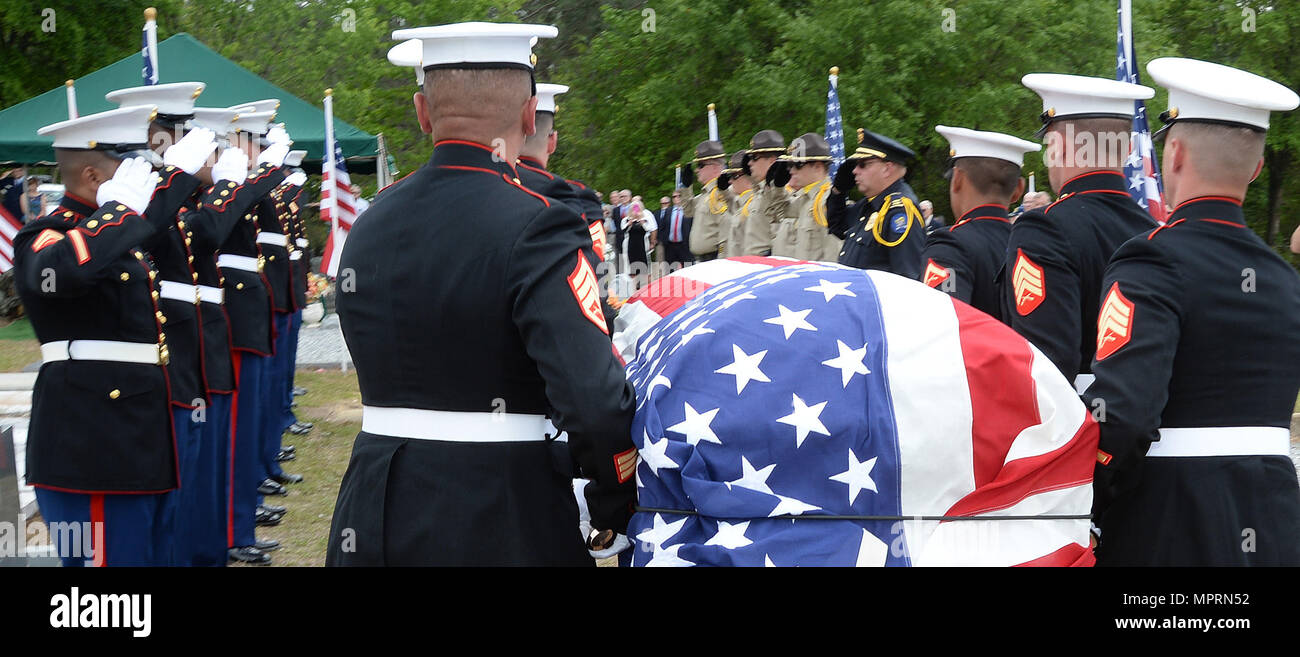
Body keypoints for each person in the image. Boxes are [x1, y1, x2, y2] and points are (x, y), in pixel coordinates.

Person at [327, 22, 638, 566]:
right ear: (528, 113)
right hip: (501, 512)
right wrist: (614, 501)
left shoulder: (371, 221)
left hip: (373, 506)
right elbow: (593, 403)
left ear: (423, 112)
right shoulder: (541, 226)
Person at [1082, 58, 1300, 566]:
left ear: (1173, 153)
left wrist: (1086, 498)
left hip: (1168, 525)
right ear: (1257, 168)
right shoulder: (1284, 279)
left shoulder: (1151, 257)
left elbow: (1125, 414)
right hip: (1271, 523)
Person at [14, 105, 173, 566]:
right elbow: (55, 274)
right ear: (92, 175)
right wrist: (115, 214)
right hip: (94, 440)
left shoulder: (116, 237)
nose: (144, 182)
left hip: (138, 435)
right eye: (129, 170)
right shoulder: (45, 236)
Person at [1004, 73, 1157, 387]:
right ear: (1128, 147)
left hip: (1074, 424)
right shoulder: (1155, 231)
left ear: (1057, 145)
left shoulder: (1043, 228)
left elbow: (1045, 367)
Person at [922, 125, 1040, 318]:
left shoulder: (949, 246)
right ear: (1019, 189)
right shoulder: (1034, 244)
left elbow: (940, 325)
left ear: (957, 178)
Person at [826, 129, 925, 278]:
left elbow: (907, 278)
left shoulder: (900, 211)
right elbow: (837, 226)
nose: (854, 170)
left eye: (863, 164)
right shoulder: (871, 204)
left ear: (887, 169)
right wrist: (838, 191)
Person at [769, 133, 837, 261]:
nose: (791, 170)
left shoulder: (827, 202)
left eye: (798, 165)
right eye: (790, 165)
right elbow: (780, 212)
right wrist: (778, 187)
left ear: (817, 167)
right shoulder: (804, 199)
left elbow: (833, 258)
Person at [740, 130, 789, 256]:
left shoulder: (784, 191)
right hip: (753, 263)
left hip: (767, 263)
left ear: (772, 161)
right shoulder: (760, 191)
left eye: (754, 158)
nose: (750, 163)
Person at [686, 140, 728, 261]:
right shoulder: (706, 194)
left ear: (715, 168)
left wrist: (722, 261)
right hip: (702, 259)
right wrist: (686, 186)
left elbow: (725, 234)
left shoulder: (720, 193)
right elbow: (688, 212)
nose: (696, 170)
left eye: (700, 165)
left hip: (713, 258)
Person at [717, 152, 752, 258]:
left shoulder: (753, 204)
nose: (730, 181)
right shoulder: (738, 202)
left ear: (748, 176)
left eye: (734, 176)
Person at [622, 197, 656, 282]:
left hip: (642, 246)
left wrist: (641, 221)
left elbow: (648, 229)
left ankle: (646, 286)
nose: (635, 211)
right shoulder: (626, 220)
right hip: (630, 247)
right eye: (633, 209)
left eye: (637, 209)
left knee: (645, 268)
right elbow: (623, 230)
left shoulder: (645, 219)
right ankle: (633, 286)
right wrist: (629, 223)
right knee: (631, 269)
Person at [659, 187, 693, 268]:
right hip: (670, 246)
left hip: (684, 245)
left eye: (679, 196)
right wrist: (664, 241)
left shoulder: (689, 211)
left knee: (687, 268)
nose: (677, 198)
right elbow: (662, 227)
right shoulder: (668, 211)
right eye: (674, 196)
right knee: (670, 270)